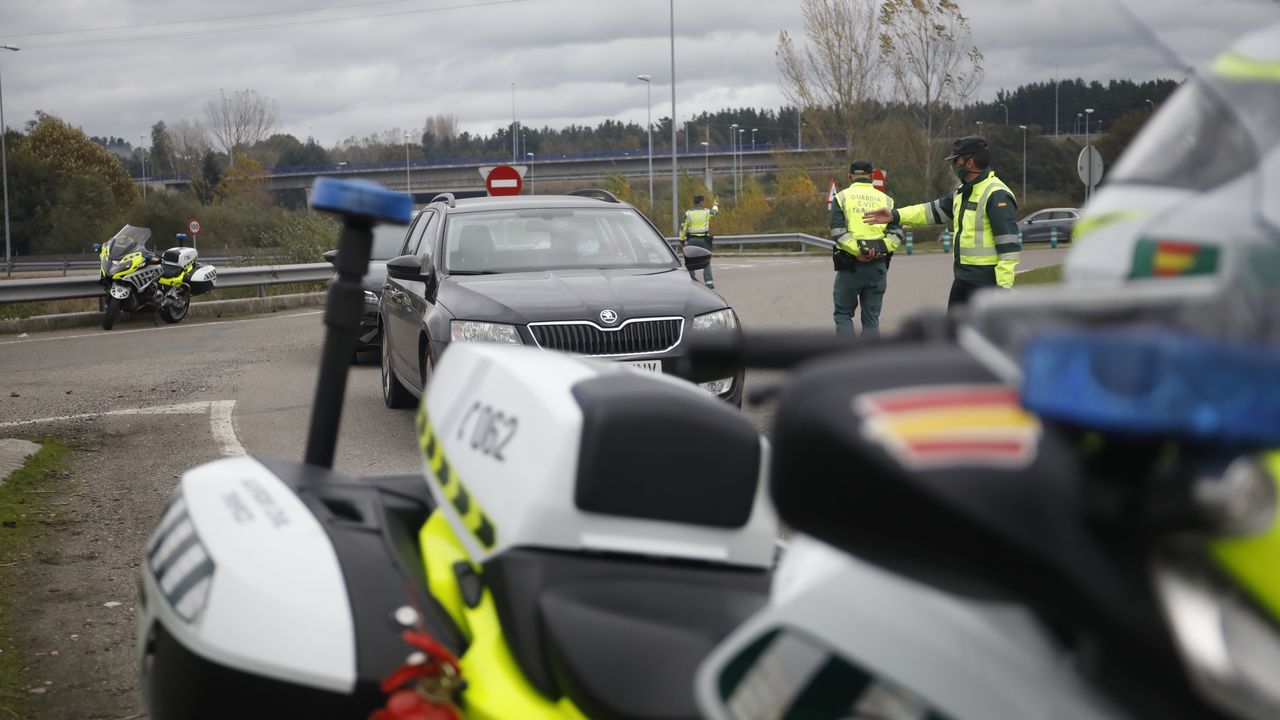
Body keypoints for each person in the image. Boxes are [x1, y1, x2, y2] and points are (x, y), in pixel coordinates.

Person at [863, 136, 1019, 310]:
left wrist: (1003, 290)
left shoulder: (996, 194)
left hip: (986, 283)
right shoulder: (962, 192)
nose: (953, 165)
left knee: (980, 336)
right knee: (953, 333)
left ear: (970, 162)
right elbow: (929, 212)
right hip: (963, 279)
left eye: (956, 160)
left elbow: (1009, 248)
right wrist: (894, 215)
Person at [829, 160, 903, 336]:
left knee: (843, 314)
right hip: (878, 266)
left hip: (850, 266)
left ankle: (849, 358)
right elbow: (897, 234)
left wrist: (858, 252)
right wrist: (878, 250)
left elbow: (838, 232)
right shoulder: (887, 200)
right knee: (871, 318)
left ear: (850, 176)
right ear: (871, 177)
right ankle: (871, 359)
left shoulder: (841, 198)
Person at [680, 194, 719, 288]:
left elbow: (683, 228)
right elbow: (715, 212)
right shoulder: (706, 212)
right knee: (706, 260)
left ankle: (691, 282)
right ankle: (709, 283)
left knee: (690, 262)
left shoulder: (688, 213)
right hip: (704, 240)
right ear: (702, 202)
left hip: (691, 241)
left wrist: (682, 240)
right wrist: (715, 204)